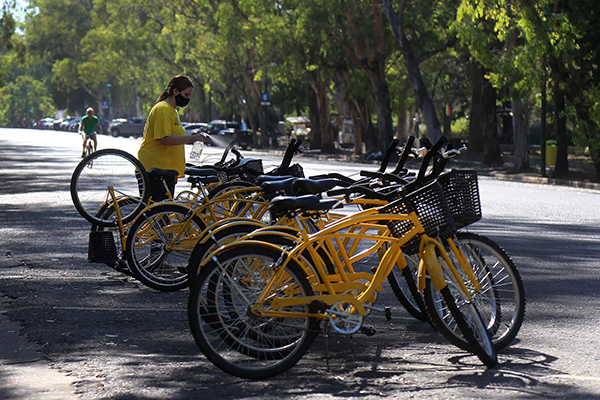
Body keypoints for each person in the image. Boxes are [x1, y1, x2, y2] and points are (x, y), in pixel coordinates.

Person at [137, 75, 206, 202]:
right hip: (153, 169)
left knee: (164, 211)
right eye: (186, 94)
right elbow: (165, 139)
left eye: (189, 95)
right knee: (155, 211)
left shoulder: (173, 111)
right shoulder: (163, 109)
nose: (187, 99)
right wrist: (192, 138)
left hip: (165, 170)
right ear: (175, 91)